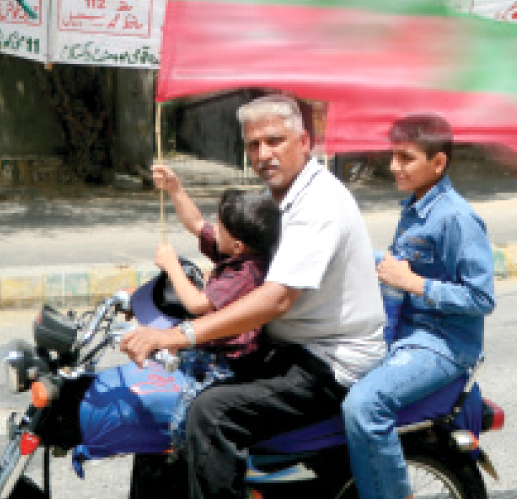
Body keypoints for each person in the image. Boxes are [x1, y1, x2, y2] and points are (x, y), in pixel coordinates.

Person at [121, 94, 386, 499]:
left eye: (275, 141)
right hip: (291, 347)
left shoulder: (317, 205)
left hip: (328, 362)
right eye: (253, 145)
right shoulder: (283, 198)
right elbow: (211, 236)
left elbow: (276, 299)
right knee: (171, 398)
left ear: (304, 142)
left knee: (211, 413)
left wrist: (177, 335)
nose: (264, 154)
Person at [341, 113, 496, 499]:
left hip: (442, 345)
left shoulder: (457, 218)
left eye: (406, 158)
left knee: (364, 406)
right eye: (393, 156)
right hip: (403, 333)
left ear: (438, 162)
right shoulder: (414, 207)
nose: (394, 167)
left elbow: (481, 298)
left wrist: (414, 283)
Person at [149, 168, 280, 453]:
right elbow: (196, 223)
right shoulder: (237, 251)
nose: (214, 229)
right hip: (210, 350)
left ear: (237, 243)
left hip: (226, 364)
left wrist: (172, 266)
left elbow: (197, 303)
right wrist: (175, 188)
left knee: (186, 415)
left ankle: (184, 456)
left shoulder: (246, 272)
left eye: (220, 227)